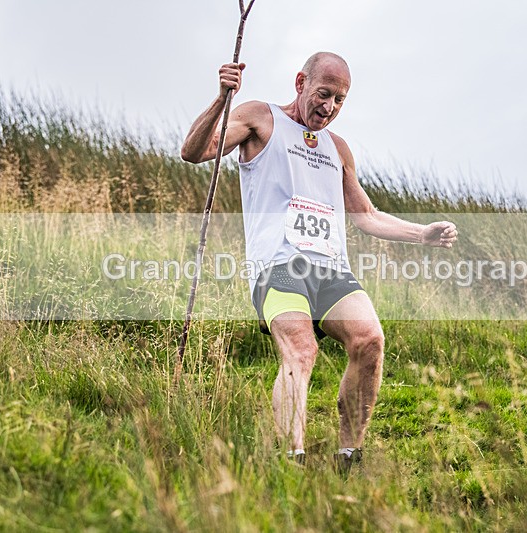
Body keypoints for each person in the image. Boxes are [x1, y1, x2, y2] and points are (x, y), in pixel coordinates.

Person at [181, 52, 457, 474]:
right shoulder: (260, 118)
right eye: (323, 94)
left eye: (340, 100)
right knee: (302, 350)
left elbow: (366, 215)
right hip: (278, 266)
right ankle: (290, 460)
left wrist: (421, 234)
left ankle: (349, 459)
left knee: (370, 341)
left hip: (330, 269)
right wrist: (222, 98)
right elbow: (195, 151)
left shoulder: (338, 149)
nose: (329, 107)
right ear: (300, 83)